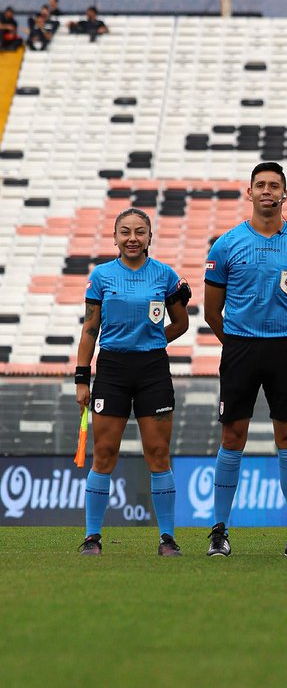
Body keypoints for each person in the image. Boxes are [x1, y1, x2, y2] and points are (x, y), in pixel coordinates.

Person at [203, 162, 287, 557]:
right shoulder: (226, 244)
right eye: (261, 185)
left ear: (285, 194)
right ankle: (219, 531)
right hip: (239, 348)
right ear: (250, 192)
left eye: (275, 185)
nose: (268, 191)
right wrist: (238, 344)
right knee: (232, 437)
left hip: (286, 350)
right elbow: (210, 313)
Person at [74, 208, 191, 556]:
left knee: (158, 454)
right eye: (125, 232)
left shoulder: (166, 276)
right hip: (111, 370)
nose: (132, 238)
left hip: (153, 370)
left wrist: (151, 341)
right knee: (105, 454)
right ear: (114, 238)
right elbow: (90, 331)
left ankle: (167, 539)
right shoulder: (101, 277)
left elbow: (181, 324)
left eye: (140, 231)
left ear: (150, 237)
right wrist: (82, 379)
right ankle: (92, 538)